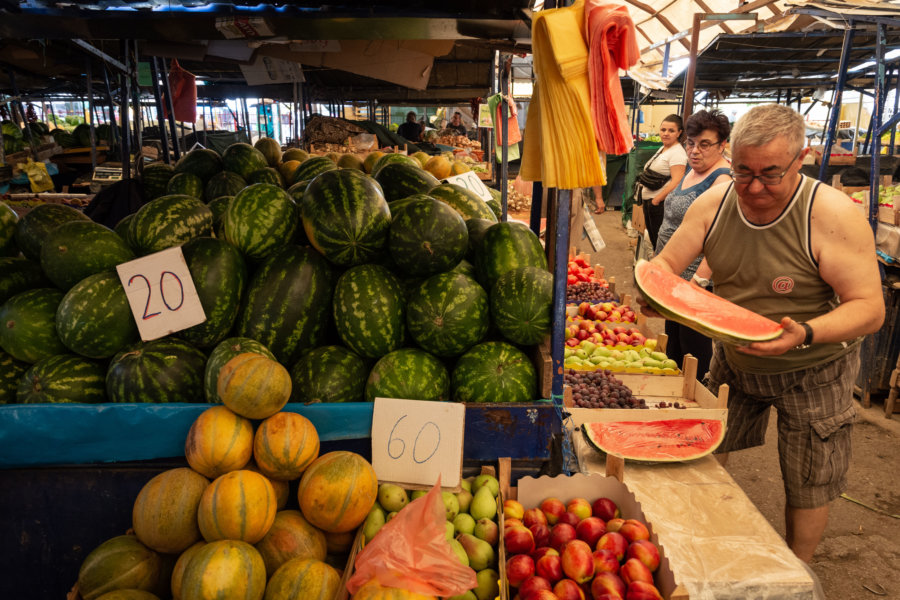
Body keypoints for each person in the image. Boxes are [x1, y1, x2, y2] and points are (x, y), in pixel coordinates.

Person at [641, 103, 884, 563]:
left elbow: (870, 310)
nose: (753, 187)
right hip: (735, 358)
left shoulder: (831, 213)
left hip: (815, 366)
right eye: (743, 171)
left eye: (770, 174)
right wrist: (654, 288)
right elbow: (666, 266)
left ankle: (798, 571)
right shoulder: (714, 203)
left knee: (808, 478)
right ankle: (694, 545)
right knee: (704, 449)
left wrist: (807, 332)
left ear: (802, 158)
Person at [654, 109, 733, 378]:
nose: (695, 151)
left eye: (705, 144)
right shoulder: (692, 170)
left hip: (695, 282)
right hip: (674, 278)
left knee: (693, 351)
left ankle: (696, 406)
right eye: (691, 143)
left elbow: (722, 237)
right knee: (673, 345)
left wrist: (698, 282)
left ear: (723, 145)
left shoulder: (722, 180)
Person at [640, 115, 687, 245]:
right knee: (654, 241)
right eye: (663, 130)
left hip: (659, 205)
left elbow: (677, 180)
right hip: (651, 202)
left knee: (659, 243)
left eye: (671, 131)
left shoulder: (677, 153)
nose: (666, 133)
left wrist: (657, 200)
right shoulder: (664, 148)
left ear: (679, 133)